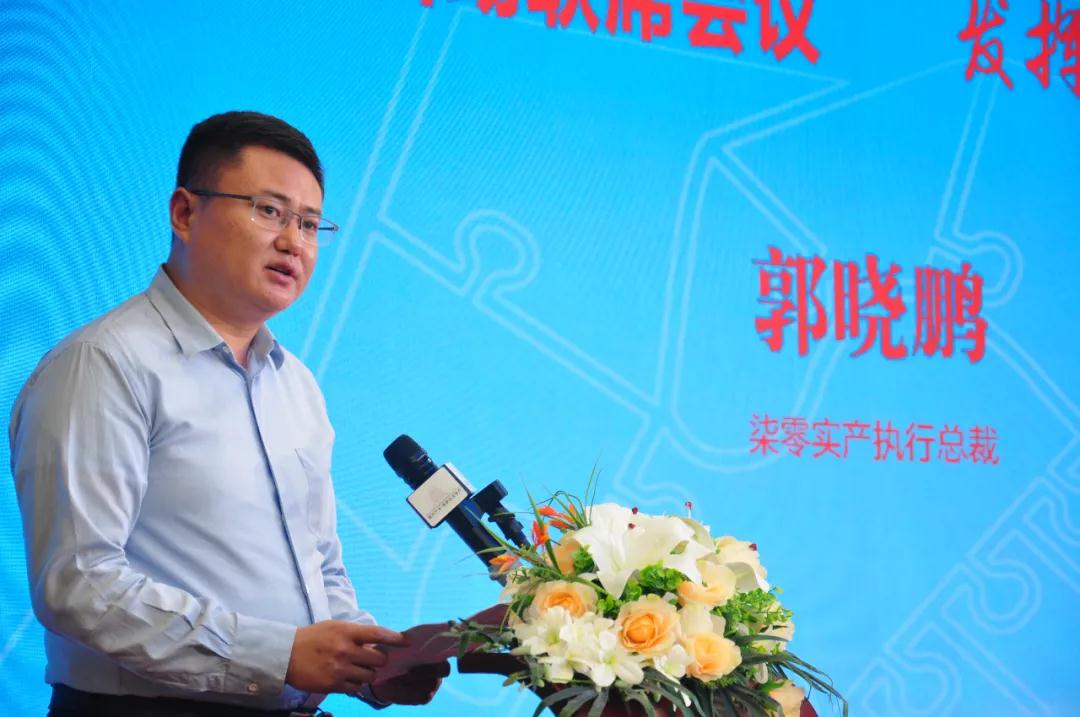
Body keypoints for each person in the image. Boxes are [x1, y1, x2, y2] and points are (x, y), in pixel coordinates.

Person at [9, 111, 448, 716]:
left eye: (310, 224)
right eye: (269, 211)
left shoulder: (296, 385)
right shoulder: (104, 363)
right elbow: (78, 583)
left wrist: (371, 664)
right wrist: (278, 656)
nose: (294, 242)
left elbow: (320, 566)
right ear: (185, 213)